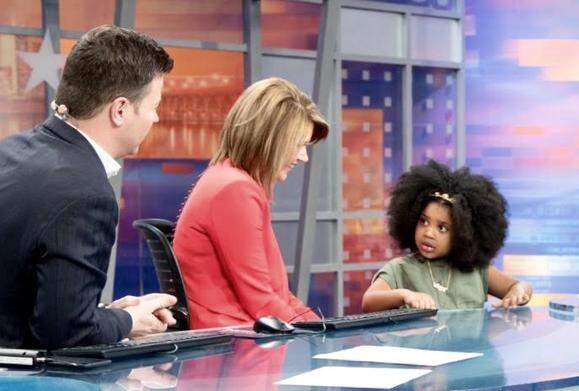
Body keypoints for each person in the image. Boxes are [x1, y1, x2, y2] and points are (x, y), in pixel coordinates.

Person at [0, 25, 176, 349]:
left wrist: (106, 314)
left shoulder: (11, 150)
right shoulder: (86, 194)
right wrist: (130, 321)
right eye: (154, 106)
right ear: (120, 110)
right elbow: (67, 333)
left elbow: (26, 300)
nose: (155, 118)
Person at [174, 78, 329, 328]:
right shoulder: (235, 189)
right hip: (236, 353)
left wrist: (326, 328)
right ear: (269, 138)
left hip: (240, 343)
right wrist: (323, 338)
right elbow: (262, 302)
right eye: (298, 144)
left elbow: (274, 294)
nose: (304, 157)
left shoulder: (226, 179)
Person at [361, 160, 533, 311]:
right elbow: (369, 302)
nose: (428, 232)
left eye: (442, 228)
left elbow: (520, 286)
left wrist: (518, 292)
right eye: (423, 221)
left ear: (464, 234)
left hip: (471, 348)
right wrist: (404, 295)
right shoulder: (399, 269)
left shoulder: (477, 270)